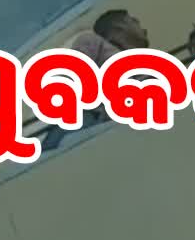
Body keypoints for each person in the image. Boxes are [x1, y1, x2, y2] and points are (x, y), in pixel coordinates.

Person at [41, 9, 151, 150]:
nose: (143, 28)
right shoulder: (93, 41)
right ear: (119, 28)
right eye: (135, 21)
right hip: (87, 120)